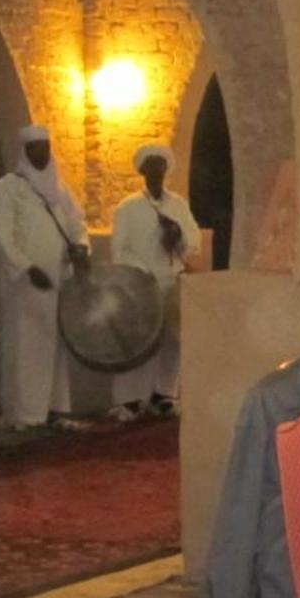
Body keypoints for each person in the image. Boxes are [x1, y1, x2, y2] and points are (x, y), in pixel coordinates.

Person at [0, 124, 89, 429]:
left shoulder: (61, 189)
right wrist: (27, 268)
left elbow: (77, 225)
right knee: (26, 347)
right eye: (34, 148)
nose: (41, 153)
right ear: (24, 151)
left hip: (58, 280)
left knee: (56, 347)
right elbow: (2, 234)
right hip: (26, 284)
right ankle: (26, 415)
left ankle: (56, 410)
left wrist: (81, 247)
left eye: (45, 147)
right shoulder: (8, 187)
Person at [110, 143, 203, 415]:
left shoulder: (178, 205)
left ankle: (163, 393)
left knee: (171, 339)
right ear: (142, 170)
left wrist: (178, 236)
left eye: (160, 166)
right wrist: (143, 271)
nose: (156, 171)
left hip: (170, 280)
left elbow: (194, 240)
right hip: (139, 284)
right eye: (150, 166)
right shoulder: (128, 207)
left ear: (166, 170)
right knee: (138, 340)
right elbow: (120, 249)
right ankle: (129, 397)